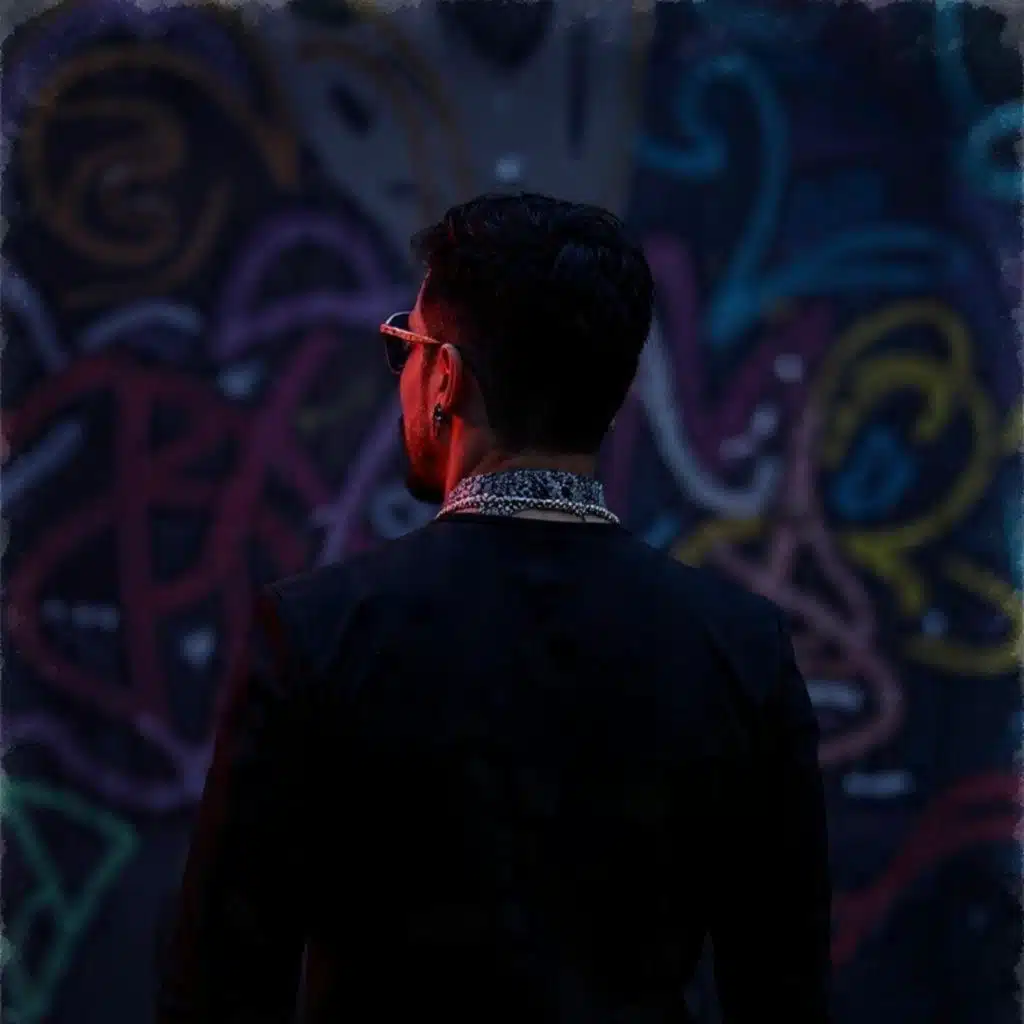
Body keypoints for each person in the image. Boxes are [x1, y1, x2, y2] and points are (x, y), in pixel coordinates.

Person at [157, 192, 832, 1023]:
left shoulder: (318, 634)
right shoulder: (740, 650)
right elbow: (786, 993)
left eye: (403, 348)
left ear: (444, 376)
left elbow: (219, 990)